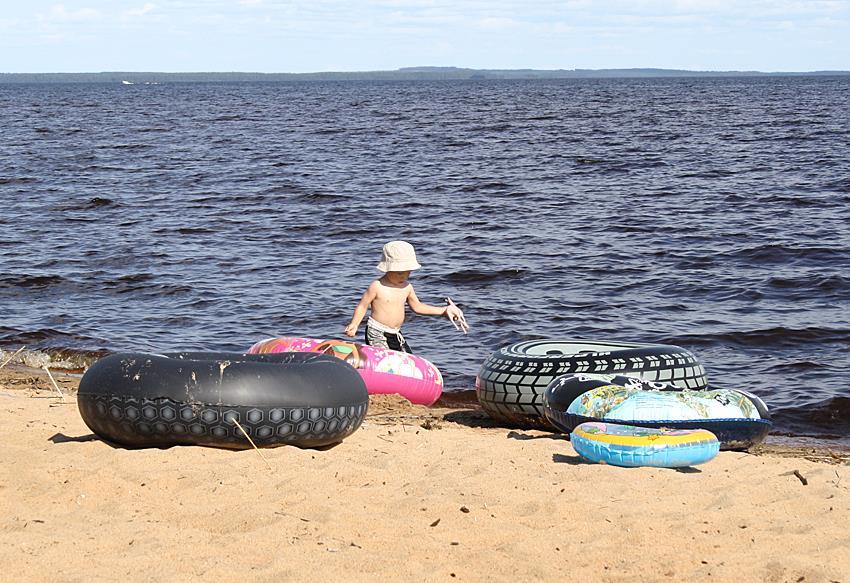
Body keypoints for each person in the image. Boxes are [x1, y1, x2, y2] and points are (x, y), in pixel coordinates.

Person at [344, 241, 466, 353]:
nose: (404, 277)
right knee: (386, 361)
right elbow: (362, 306)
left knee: (408, 359)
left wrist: (443, 311)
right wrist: (354, 324)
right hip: (377, 332)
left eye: (408, 272)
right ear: (388, 269)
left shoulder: (407, 287)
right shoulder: (377, 286)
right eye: (400, 273)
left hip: (396, 333)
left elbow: (417, 307)